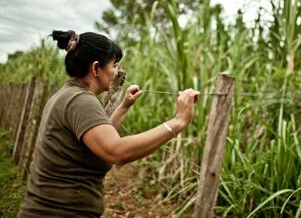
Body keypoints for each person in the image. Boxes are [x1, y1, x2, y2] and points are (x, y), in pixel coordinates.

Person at [18, 30, 199, 217]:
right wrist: (178, 122)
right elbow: (116, 152)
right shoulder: (81, 101)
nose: (115, 72)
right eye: (113, 65)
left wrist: (123, 107)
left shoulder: (64, 95)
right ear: (96, 68)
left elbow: (97, 140)